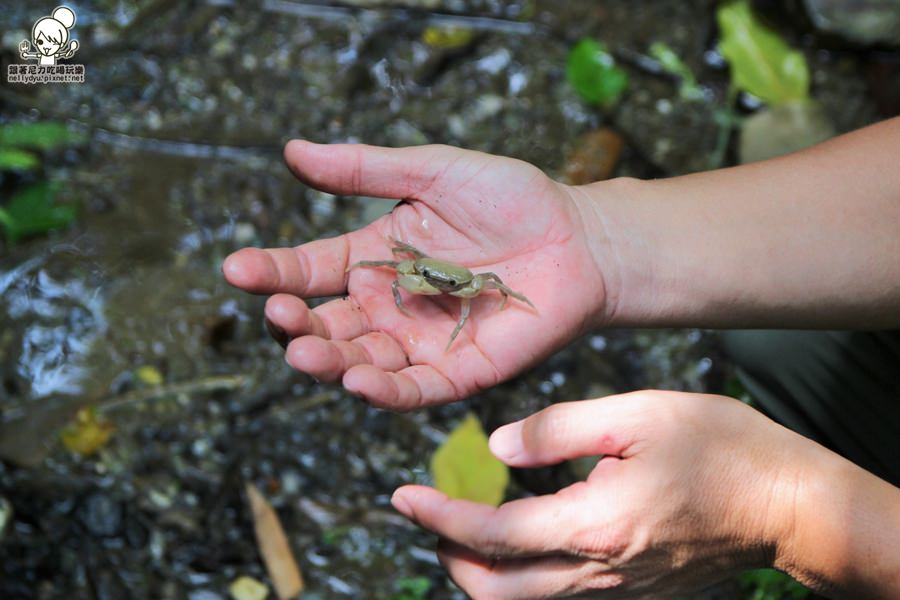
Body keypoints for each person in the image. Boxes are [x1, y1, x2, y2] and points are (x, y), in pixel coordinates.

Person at [223, 116, 900, 599]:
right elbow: (400, 267)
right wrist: (598, 238)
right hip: (433, 273)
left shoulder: (475, 287)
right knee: (771, 337)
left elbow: (489, 286)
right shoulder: (419, 272)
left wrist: (781, 509)